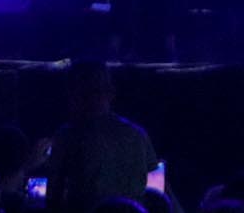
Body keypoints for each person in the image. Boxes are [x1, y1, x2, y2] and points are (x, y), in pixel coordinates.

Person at [44, 62, 158, 213]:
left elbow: (54, 194)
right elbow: (154, 183)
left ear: (74, 94)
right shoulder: (138, 133)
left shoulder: (68, 135)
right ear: (111, 93)